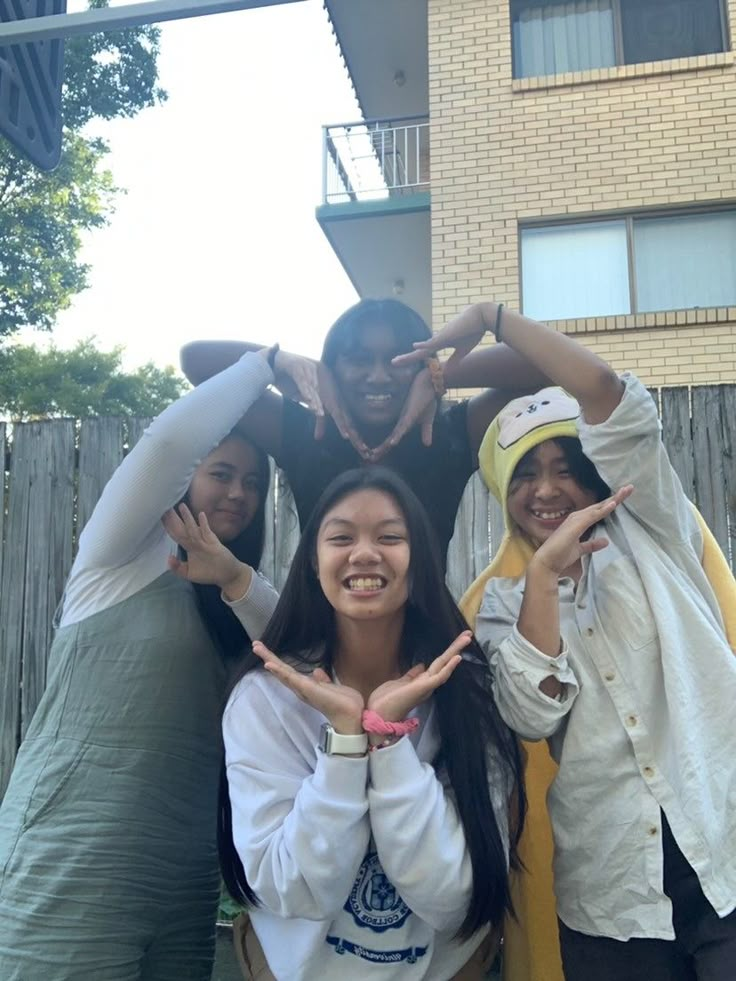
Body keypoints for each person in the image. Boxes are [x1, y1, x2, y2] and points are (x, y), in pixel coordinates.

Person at [403, 302, 736, 980]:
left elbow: (605, 391)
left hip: (724, 856)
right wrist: (546, 576)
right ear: (505, 493)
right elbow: (533, 714)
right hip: (613, 896)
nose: (547, 487)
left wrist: (492, 317)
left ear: (596, 473)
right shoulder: (498, 604)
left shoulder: (657, 529)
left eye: (565, 466)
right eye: (526, 472)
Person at [0, 347, 314, 981]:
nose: (238, 493)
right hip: (73, 858)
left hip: (182, 872)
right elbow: (169, 441)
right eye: (221, 473)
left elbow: (291, 656)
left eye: (253, 482)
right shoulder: (114, 558)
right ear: (188, 479)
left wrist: (230, 576)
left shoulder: (238, 593)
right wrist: (268, 365)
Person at [217, 467, 526, 980]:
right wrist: (344, 745)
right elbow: (290, 890)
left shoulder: (468, 691)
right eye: (341, 537)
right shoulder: (263, 698)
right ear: (314, 564)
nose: (364, 553)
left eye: (390, 537)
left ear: (421, 562)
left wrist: (388, 741)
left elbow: (452, 897)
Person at [180, 298, 549, 567]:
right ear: (333, 370)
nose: (378, 375)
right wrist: (286, 364)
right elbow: (195, 361)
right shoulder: (306, 432)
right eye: (358, 360)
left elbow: (549, 367)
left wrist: (443, 375)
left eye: (399, 361)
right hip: (319, 651)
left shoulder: (448, 434)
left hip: (426, 649)